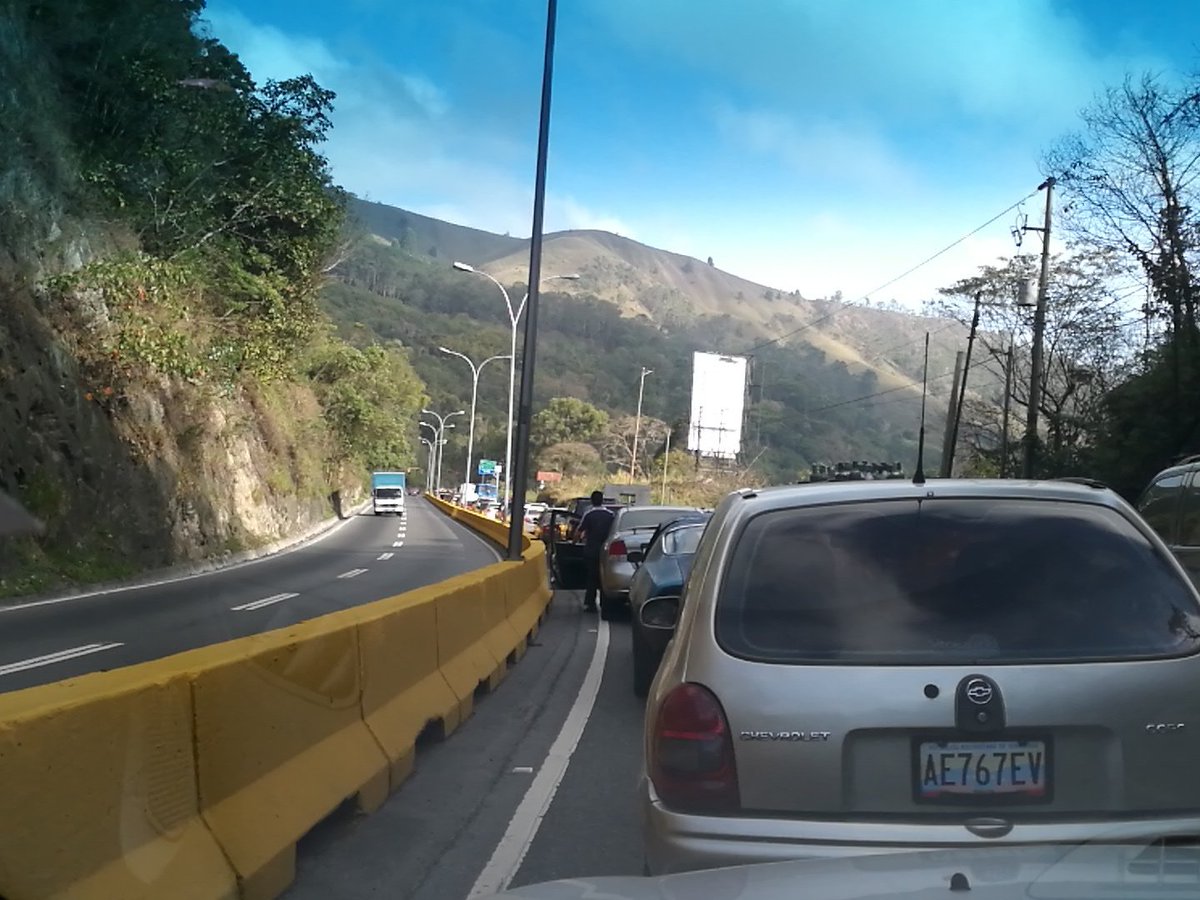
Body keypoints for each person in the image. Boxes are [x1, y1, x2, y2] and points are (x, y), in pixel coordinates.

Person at [576, 489, 615, 612]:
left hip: (591, 551)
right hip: (607, 551)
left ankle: (590, 603)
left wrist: (573, 542)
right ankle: (606, 603)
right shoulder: (610, 515)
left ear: (592, 501)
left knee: (592, 577)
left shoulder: (588, 514)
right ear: (602, 500)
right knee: (605, 578)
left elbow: (579, 531)